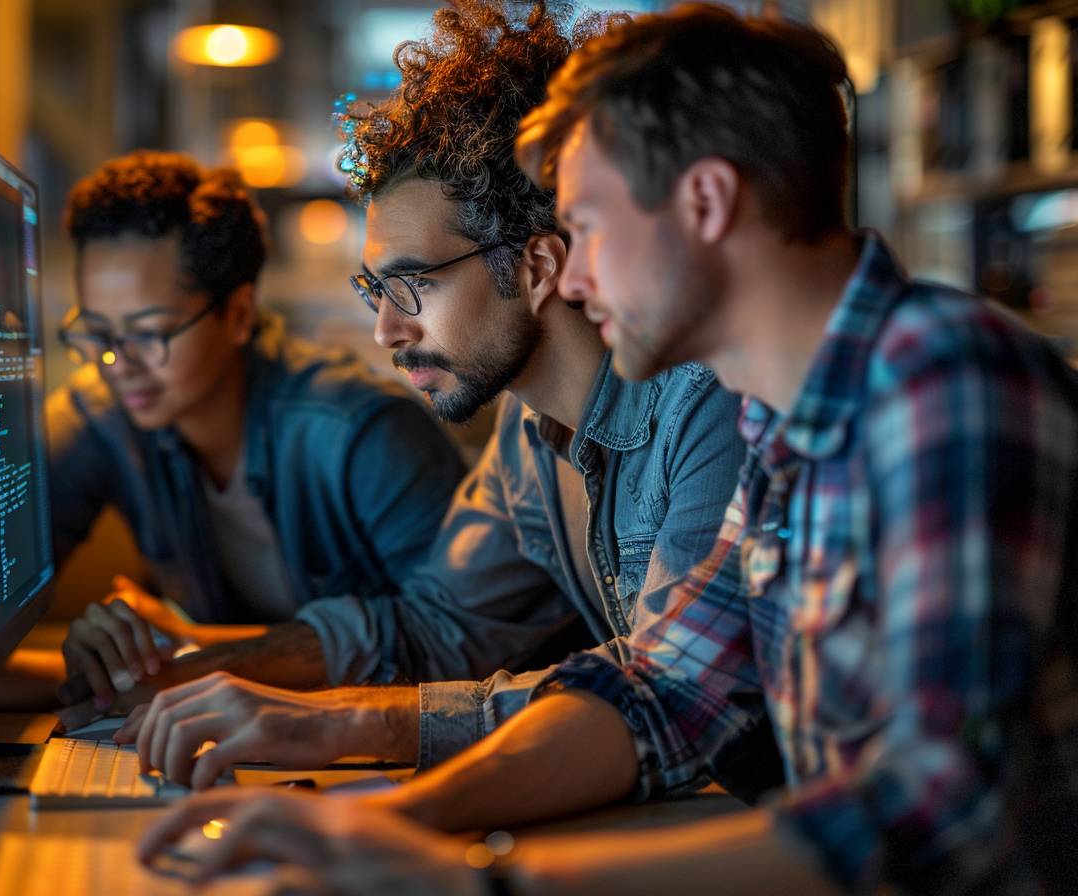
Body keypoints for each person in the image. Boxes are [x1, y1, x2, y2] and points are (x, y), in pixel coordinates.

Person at [137, 5, 1078, 894]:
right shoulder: (783, 419)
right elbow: (666, 690)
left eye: (585, 227)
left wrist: (483, 880)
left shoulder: (943, 377)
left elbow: (935, 812)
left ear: (706, 201)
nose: (571, 275)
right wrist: (382, 827)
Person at [104, 0, 756, 786]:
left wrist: (343, 730)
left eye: (412, 284)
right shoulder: (527, 427)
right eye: (375, 289)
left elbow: (666, 700)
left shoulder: (708, 401)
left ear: (538, 268)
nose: (385, 329)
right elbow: (435, 628)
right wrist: (193, 670)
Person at [0, 150, 468, 712]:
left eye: (149, 334)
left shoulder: (357, 432)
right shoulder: (105, 415)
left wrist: (190, 664)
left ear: (239, 314)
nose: (116, 364)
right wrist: (112, 671)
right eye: (96, 333)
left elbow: (463, 637)